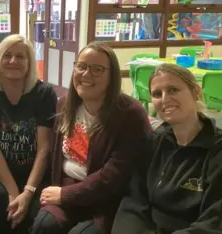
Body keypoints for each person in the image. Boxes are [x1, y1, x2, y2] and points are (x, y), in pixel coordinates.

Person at [112, 63, 222, 234]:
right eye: (157, 93)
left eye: (173, 90)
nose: (164, 99)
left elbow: (220, 223)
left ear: (196, 92)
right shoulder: (153, 142)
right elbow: (133, 200)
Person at [30, 42, 152, 234]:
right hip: (66, 190)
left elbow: (115, 176)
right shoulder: (64, 104)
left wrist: (65, 194)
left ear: (112, 77)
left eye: (97, 69)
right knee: (43, 225)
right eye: (82, 66)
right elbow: (53, 159)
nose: (86, 74)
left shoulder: (130, 114)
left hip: (107, 201)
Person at [0, 34, 58, 234]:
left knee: (37, 211)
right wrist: (13, 190)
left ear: (30, 62)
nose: (13, 61)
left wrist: (28, 191)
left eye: (20, 57)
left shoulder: (45, 94)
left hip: (34, 175)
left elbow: (44, 148)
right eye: (7, 55)